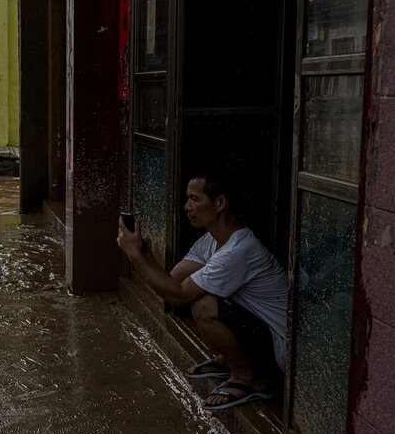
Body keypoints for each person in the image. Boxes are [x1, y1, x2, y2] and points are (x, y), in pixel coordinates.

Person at [116, 171, 288, 411]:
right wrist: (145, 255)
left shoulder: (238, 250)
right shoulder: (212, 240)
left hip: (280, 351)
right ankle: (231, 360)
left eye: (194, 199)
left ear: (220, 203)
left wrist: (135, 258)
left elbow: (179, 295)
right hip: (258, 332)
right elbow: (172, 282)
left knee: (204, 306)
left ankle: (246, 377)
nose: (187, 207)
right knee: (205, 298)